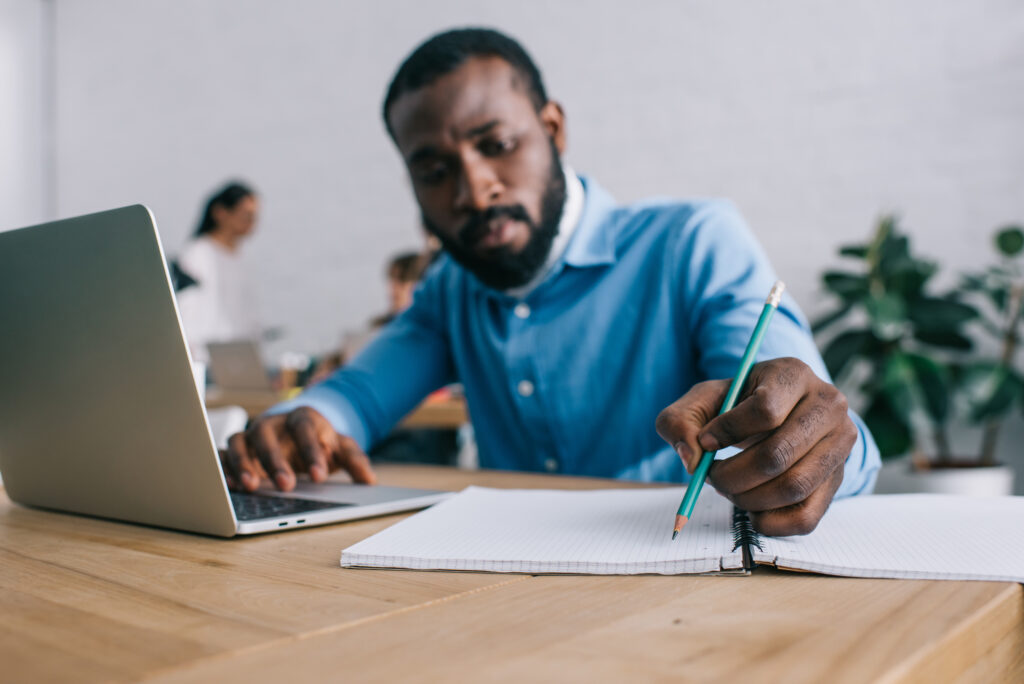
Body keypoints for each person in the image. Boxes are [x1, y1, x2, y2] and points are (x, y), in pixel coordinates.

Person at [223, 28, 881, 536]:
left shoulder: (692, 242)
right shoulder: (451, 288)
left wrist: (810, 441)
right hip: (511, 602)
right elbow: (357, 398)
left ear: (552, 128)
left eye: (496, 144)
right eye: (433, 170)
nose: (474, 189)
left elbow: (811, 417)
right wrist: (298, 424)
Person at [176, 181, 261, 364]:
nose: (252, 224)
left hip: (239, 363)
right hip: (205, 361)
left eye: (254, 217)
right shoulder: (197, 254)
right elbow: (186, 309)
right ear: (221, 213)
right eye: (246, 216)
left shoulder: (242, 259)